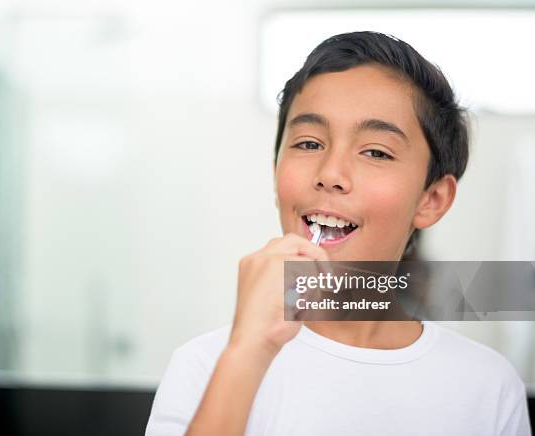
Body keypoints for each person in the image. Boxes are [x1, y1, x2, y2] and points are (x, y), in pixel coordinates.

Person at [145, 31, 532, 435]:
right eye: (309, 143)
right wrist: (246, 355)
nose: (330, 174)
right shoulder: (206, 366)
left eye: (376, 152)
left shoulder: (487, 388)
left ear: (431, 199)